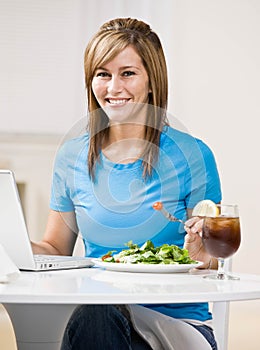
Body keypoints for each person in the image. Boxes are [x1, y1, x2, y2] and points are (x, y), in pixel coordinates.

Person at [32, 17, 221, 350]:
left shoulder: (192, 155)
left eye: (128, 73)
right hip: (99, 320)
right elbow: (55, 250)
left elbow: (210, 258)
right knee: (97, 312)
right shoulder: (72, 156)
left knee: (96, 313)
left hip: (176, 324)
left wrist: (200, 255)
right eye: (102, 74)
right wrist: (10, 247)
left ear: (152, 82)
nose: (113, 88)